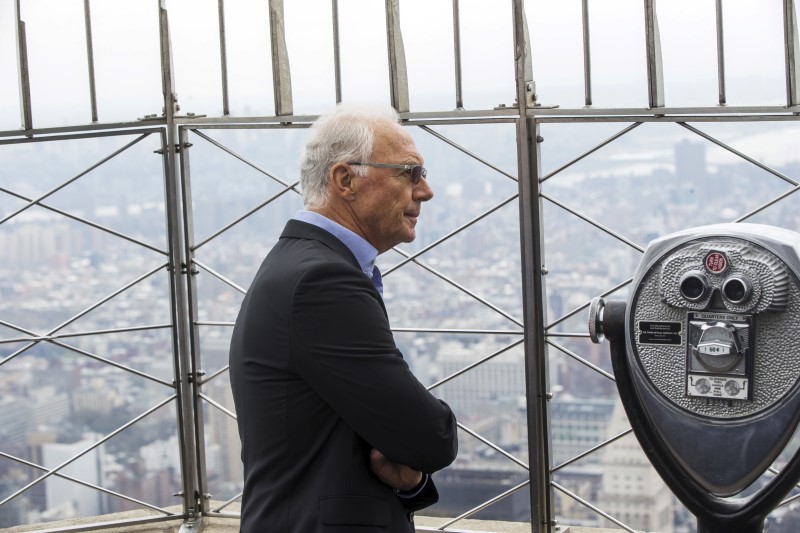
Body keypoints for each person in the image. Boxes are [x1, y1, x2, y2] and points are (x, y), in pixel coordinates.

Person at [229, 102, 459, 532]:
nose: (424, 190)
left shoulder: (304, 265)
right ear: (345, 179)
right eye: (409, 173)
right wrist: (418, 447)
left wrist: (410, 479)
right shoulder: (322, 281)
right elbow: (431, 437)